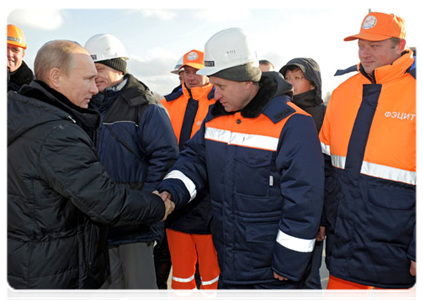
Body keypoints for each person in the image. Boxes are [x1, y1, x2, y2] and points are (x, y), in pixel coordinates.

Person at [158, 27, 324, 300]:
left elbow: (304, 199)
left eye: (220, 86)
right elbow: (195, 159)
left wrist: (289, 262)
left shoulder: (293, 124)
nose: (214, 94)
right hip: (230, 262)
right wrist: (170, 192)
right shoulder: (217, 116)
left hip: (274, 271)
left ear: (246, 82)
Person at [5, 39, 175, 300]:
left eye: (97, 76)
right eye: (87, 78)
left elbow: (164, 158)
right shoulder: (55, 130)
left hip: (56, 249)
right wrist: (157, 206)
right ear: (56, 77)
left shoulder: (24, 110)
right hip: (47, 267)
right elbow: (103, 198)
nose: (94, 89)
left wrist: (149, 199)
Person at [319, 12, 420, 300]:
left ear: (400, 45)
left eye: (374, 46)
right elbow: (326, 166)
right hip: (345, 245)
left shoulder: (418, 92)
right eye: (361, 45)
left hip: (400, 253)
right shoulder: (342, 92)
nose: (365, 53)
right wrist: (321, 218)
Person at [84, 33, 178, 300]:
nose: (94, 75)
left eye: (99, 68)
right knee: (107, 288)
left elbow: (165, 159)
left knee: (141, 289)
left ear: (117, 69)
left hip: (134, 219)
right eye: (91, 70)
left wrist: (144, 204)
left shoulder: (146, 107)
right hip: (101, 214)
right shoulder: (89, 104)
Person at [161, 49, 220, 300]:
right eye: (186, 71)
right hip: (175, 198)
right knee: (182, 274)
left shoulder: (221, 103)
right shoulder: (166, 104)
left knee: (211, 274)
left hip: (210, 201)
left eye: (196, 71)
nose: (191, 76)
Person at [280, 58, 326, 300]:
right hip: (280, 208)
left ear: (312, 83)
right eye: (287, 78)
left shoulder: (324, 115)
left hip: (311, 210)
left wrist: (322, 217)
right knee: (280, 277)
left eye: (297, 78)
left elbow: (328, 171)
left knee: (309, 277)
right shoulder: (277, 112)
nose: (291, 83)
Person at [5, 24, 33, 92]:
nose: (9, 54)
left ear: (22, 54)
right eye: (4, 48)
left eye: (15, 50)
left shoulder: (31, 88)